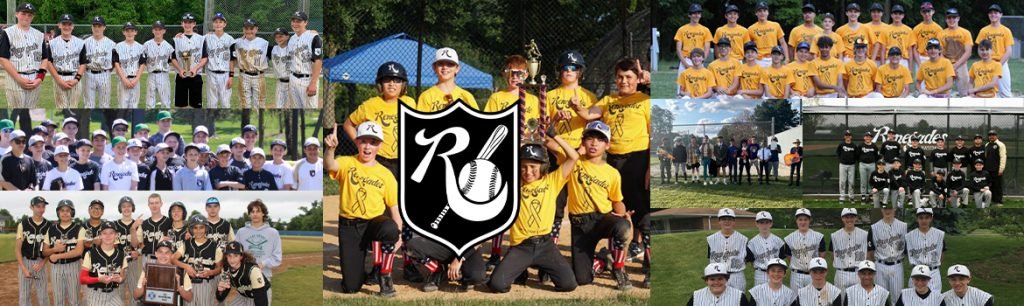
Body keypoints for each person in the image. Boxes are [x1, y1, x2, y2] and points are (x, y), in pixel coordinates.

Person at [487, 131, 580, 293]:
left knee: (568, 284)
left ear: (543, 167)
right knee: (497, 285)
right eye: (523, 167)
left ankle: (534, 267)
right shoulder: (513, 184)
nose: (528, 171)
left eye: (533, 167)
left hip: (545, 245)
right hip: (521, 246)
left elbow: (573, 157)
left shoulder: (552, 181)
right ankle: (520, 268)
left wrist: (555, 136)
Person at [325, 120, 402, 296]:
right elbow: (330, 165)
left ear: (379, 146)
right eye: (364, 141)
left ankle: (384, 275)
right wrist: (330, 150)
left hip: (374, 224)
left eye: (373, 142)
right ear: (357, 142)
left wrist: (397, 235)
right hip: (350, 226)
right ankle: (362, 273)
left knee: (390, 229)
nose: (368, 147)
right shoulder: (347, 163)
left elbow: (394, 210)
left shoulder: (385, 174)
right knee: (351, 287)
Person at [565, 121, 634, 289]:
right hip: (580, 224)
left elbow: (617, 201)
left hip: (601, 219)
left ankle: (618, 268)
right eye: (590, 138)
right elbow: (550, 144)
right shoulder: (573, 161)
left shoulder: (612, 173)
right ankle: (604, 259)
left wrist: (625, 217)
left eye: (600, 139)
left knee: (623, 227)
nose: (594, 143)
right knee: (582, 279)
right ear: (583, 141)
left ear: (607, 145)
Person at [235, 200, 282, 301]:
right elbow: (236, 255)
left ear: (263, 213)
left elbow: (277, 257)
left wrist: (262, 264)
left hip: (263, 278)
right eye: (252, 211)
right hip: (245, 279)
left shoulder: (273, 233)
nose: (255, 214)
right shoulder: (241, 232)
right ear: (249, 214)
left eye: (258, 211)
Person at [0, 4, 46, 108]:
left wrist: (40, 78)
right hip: (15, 78)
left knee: (30, 112)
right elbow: (3, 58)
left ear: (33, 17)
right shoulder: (8, 33)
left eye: (29, 15)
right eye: (23, 13)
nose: (26, 17)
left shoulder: (39, 34)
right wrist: (18, 79)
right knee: (17, 112)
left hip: (35, 78)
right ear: (17, 14)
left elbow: (45, 58)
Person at [173, 215, 224, 306]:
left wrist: (210, 273)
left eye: (201, 227)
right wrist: (186, 266)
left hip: (206, 284)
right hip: (188, 283)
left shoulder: (214, 246)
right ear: (191, 229)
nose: (198, 231)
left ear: (206, 228)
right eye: (195, 228)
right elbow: (173, 259)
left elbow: (219, 268)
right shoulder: (187, 244)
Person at [79, 221, 128, 306]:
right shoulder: (91, 254)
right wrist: (98, 279)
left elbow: (122, 276)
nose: (108, 236)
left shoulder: (121, 254)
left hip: (114, 294)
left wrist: (120, 279)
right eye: (104, 233)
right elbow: (83, 279)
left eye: (111, 233)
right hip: (95, 294)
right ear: (100, 235)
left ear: (116, 235)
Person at [45, 13, 88, 109]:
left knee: (73, 107)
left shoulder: (80, 43)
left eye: (69, 24)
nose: (66, 27)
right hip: (59, 77)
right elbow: (48, 62)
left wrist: (76, 79)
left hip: (74, 77)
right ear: (59, 25)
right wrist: (59, 80)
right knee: (61, 108)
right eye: (64, 24)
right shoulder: (52, 43)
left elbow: (83, 63)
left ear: (73, 26)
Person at [416, 47, 477, 112]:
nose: (445, 67)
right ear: (434, 67)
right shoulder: (426, 96)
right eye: (441, 63)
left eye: (450, 64)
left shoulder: (466, 97)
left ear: (457, 68)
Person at [133, 240, 193, 304]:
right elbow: (135, 296)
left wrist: (179, 288)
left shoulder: (182, 272)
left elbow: (189, 298)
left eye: (167, 252)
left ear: (172, 255)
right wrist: (143, 287)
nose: (163, 255)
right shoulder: (148, 270)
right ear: (156, 254)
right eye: (160, 252)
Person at [17, 196, 51, 306]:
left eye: (43, 206)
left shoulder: (49, 226)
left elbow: (49, 250)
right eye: (38, 206)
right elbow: (17, 250)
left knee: (43, 296)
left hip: (40, 263)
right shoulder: (23, 224)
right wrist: (23, 268)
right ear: (31, 207)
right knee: (24, 296)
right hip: (25, 262)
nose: (41, 209)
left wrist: (42, 263)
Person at [781, 209, 826, 290]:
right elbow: (788, 255)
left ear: (810, 220)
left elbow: (822, 254)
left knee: (813, 300)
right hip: (796, 275)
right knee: (796, 300)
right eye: (800, 219)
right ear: (796, 221)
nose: (803, 222)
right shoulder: (789, 238)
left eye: (805, 219)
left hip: (813, 274)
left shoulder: (819, 236)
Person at [871, 206, 907, 305]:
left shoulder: (904, 226)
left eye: (890, 208)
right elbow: (870, 250)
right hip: (880, 265)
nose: (887, 210)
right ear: (881, 209)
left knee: (898, 297)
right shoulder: (874, 227)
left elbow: (908, 247)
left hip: (897, 265)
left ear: (894, 208)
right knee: (879, 297)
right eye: (885, 208)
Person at [216, 242, 271, 306]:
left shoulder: (252, 270)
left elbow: (261, 301)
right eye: (229, 255)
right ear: (226, 256)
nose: (232, 259)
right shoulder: (226, 269)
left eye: (235, 255)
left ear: (241, 256)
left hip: (261, 293)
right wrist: (220, 291)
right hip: (243, 296)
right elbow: (221, 297)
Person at [287, 11, 322, 109]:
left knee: (310, 109)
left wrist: (313, 83)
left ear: (305, 23)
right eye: (293, 21)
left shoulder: (313, 37)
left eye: (298, 21)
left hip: (308, 79)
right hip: (293, 78)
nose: (295, 23)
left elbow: (318, 60)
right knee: (296, 109)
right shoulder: (291, 39)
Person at [977, 4, 1014, 98]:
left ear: (1001, 15)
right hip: (987, 63)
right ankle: (986, 112)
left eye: (996, 13)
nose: (993, 15)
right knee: (985, 91)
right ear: (988, 15)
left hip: (1002, 63)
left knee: (1005, 92)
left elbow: (1009, 51)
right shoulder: (984, 31)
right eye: (991, 13)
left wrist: (998, 65)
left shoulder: (1006, 31)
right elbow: (979, 49)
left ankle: (1006, 112)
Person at [905, 208, 945, 292]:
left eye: (927, 217)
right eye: (921, 217)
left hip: (933, 272)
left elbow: (941, 253)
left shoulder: (939, 234)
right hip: (917, 272)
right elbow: (908, 254)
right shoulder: (909, 236)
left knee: (934, 300)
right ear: (917, 219)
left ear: (931, 218)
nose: (924, 220)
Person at [674, 3, 712, 90]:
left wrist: (701, 61)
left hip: (699, 59)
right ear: (689, 15)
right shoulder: (682, 29)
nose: (696, 15)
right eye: (694, 13)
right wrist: (686, 64)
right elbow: (678, 49)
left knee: (701, 88)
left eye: (698, 13)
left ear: (701, 15)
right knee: (681, 89)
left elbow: (706, 48)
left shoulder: (705, 30)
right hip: (686, 60)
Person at [707, 208, 748, 290]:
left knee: (738, 300)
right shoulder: (711, 239)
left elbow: (747, 259)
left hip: (737, 275)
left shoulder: (743, 239)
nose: (727, 221)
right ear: (719, 221)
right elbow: (710, 257)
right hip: (718, 276)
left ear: (734, 221)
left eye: (730, 219)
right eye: (724, 219)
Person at [830, 208, 871, 290]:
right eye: (846, 217)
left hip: (858, 272)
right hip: (841, 273)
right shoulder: (834, 236)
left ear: (856, 218)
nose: (849, 220)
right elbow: (832, 254)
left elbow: (869, 254)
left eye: (852, 217)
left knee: (858, 301)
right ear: (842, 218)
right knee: (841, 301)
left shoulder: (865, 234)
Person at [172, 12, 206, 108]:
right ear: (182, 24)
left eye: (190, 22)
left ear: (194, 24)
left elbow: (204, 58)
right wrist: (180, 70)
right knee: (180, 105)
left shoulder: (201, 39)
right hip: (181, 75)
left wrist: (195, 69)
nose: (187, 24)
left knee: (196, 105)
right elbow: (173, 58)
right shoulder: (176, 39)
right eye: (185, 22)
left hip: (196, 75)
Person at [235, 18, 270, 109]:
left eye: (251, 28)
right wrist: (211, 34)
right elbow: (224, 43)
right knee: (244, 103)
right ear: (243, 30)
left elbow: (282, 44)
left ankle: (258, 121)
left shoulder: (264, 43)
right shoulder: (237, 42)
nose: (249, 31)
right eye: (246, 29)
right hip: (244, 75)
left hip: (259, 76)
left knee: (259, 103)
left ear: (256, 29)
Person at [937, 8, 973, 97]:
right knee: (943, 93)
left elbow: (968, 52)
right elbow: (939, 53)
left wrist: (956, 65)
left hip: (961, 64)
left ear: (958, 18)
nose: (951, 20)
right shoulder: (941, 34)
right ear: (946, 19)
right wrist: (949, 66)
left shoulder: (965, 32)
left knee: (965, 93)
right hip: (945, 65)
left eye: (954, 17)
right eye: (949, 18)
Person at [202, 13, 234, 108]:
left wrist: (231, 77)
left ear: (225, 24)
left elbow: (232, 60)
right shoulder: (206, 38)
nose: (218, 24)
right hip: (211, 73)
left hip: (225, 74)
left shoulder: (230, 39)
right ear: (213, 24)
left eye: (220, 22)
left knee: (225, 103)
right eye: (216, 22)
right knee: (211, 104)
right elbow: (193, 38)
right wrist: (181, 34)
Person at [113, 22, 146, 108]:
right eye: (127, 31)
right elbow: (116, 64)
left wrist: (136, 79)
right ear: (123, 32)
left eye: (132, 31)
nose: (129, 33)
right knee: (122, 106)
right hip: (122, 80)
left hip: (135, 80)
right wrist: (124, 79)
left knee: (134, 106)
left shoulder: (141, 47)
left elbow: (142, 64)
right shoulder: (118, 47)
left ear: (136, 32)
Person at [745, 212, 783, 286]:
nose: (764, 225)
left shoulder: (778, 241)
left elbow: (781, 258)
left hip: (776, 274)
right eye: (761, 223)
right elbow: (751, 260)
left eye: (767, 222)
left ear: (771, 224)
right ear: (757, 224)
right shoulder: (752, 243)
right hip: (760, 274)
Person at [144, 20, 175, 108]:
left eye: (160, 29)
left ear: (164, 31)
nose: (158, 31)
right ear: (152, 30)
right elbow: (143, 60)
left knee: (165, 102)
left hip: (163, 74)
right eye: (156, 29)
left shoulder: (168, 46)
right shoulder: (146, 45)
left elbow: (171, 61)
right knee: (149, 103)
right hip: (151, 74)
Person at [135, 193, 171, 267]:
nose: (154, 206)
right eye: (151, 203)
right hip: (147, 258)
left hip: (164, 259)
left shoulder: (169, 222)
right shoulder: (144, 223)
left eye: (157, 203)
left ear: (161, 204)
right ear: (148, 205)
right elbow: (139, 243)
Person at [747, 1, 787, 67]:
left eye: (764, 10)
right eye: (759, 11)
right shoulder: (751, 29)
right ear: (756, 13)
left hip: (774, 57)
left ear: (768, 12)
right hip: (758, 60)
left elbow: (782, 42)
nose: (762, 13)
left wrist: (787, 58)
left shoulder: (776, 25)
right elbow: (749, 47)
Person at [911, 2, 942, 78]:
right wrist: (919, 63)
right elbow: (914, 48)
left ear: (933, 12)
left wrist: (938, 60)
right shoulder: (916, 29)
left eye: (929, 11)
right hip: (921, 57)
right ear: (921, 13)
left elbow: (940, 47)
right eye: (924, 11)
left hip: (934, 56)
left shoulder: (938, 29)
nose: (927, 14)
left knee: (934, 82)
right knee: (921, 85)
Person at [879, 5, 913, 70]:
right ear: (891, 15)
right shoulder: (885, 30)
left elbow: (910, 50)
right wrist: (882, 65)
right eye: (895, 13)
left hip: (903, 59)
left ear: (903, 16)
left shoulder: (908, 30)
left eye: (900, 14)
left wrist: (910, 67)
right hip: (889, 58)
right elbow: (882, 50)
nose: (897, 16)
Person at [270, 27, 292, 108]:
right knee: (279, 106)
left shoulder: (293, 47)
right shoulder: (273, 49)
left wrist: (312, 32)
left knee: (291, 107)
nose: (278, 39)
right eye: (276, 37)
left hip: (292, 83)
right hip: (280, 83)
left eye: (281, 36)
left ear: (287, 37)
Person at [857, 132, 880, 203]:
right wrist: (861, 161)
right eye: (867, 136)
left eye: (869, 137)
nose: (868, 138)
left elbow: (876, 156)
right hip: (862, 164)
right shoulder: (861, 145)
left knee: (871, 181)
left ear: (871, 138)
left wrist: (873, 161)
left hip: (872, 164)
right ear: (864, 137)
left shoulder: (874, 146)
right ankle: (863, 196)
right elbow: (857, 155)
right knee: (863, 181)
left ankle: (870, 196)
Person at [984, 130, 1006, 205]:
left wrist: (1001, 169)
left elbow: (1003, 157)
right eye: (990, 135)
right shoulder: (987, 144)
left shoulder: (1000, 144)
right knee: (990, 185)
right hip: (988, 169)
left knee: (997, 185)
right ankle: (991, 200)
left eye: (993, 135)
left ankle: (999, 201)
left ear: (996, 136)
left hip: (997, 169)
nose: (991, 136)